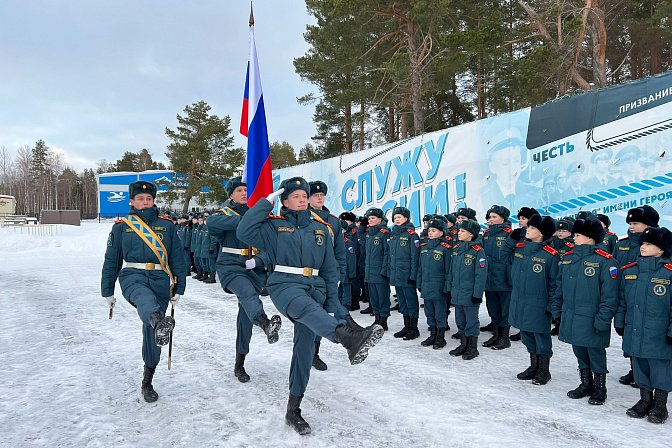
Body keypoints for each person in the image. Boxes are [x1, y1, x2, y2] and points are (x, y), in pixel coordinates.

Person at [236, 177, 384, 435]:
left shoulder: (320, 227)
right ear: (284, 201)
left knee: (304, 348)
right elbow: (244, 231)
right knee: (304, 308)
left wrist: (332, 301)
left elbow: (329, 267)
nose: (303, 199)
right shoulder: (273, 226)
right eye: (296, 196)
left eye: (304, 195)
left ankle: (294, 409)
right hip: (285, 284)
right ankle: (347, 338)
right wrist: (264, 203)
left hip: (314, 285)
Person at [101, 181, 187, 402]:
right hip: (133, 277)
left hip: (159, 279)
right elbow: (112, 261)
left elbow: (177, 258)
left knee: (152, 332)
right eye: (140, 198)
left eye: (148, 199)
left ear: (154, 200)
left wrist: (180, 286)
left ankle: (148, 380)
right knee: (144, 299)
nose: (145, 202)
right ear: (132, 201)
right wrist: (107, 290)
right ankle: (158, 320)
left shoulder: (167, 226)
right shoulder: (121, 227)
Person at [207, 176, 282, 383]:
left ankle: (240, 363)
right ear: (230, 195)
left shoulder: (260, 218)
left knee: (245, 318)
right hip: (230, 267)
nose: (243, 193)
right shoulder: (223, 215)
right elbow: (211, 223)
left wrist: (258, 260)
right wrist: (250, 218)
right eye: (239, 190)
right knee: (248, 294)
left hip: (253, 269)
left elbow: (271, 248)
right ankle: (266, 323)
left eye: (246, 190)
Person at [551, 217, 619, 405]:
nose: (574, 237)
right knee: (580, 351)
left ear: (590, 238)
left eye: (578, 235)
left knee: (596, 354)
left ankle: (600, 388)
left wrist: (603, 319)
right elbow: (559, 287)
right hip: (571, 315)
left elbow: (610, 296)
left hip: (593, 318)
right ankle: (585, 383)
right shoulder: (569, 258)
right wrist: (557, 310)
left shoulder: (606, 261)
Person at [615, 227, 672, 424]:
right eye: (642, 244)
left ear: (662, 249)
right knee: (640, 367)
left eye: (649, 244)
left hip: (660, 332)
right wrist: (620, 322)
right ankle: (645, 400)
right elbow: (622, 300)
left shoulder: (669, 273)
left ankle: (660, 405)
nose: (643, 247)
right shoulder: (630, 271)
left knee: (661, 369)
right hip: (635, 328)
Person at [501, 214, 559, 385]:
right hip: (520, 299)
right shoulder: (520, 248)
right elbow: (502, 255)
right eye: (529, 227)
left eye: (532, 228)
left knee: (541, 338)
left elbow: (555, 283)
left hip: (539, 303)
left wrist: (552, 306)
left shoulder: (550, 255)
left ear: (542, 233)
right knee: (526, 335)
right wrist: (510, 240)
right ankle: (533, 366)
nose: (528, 229)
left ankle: (544, 370)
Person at [614, 205, 660, 388]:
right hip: (627, 298)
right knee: (630, 335)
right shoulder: (621, 245)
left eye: (636, 223)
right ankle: (635, 370)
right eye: (630, 223)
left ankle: (651, 375)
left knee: (649, 337)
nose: (632, 227)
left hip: (650, 299)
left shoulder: (660, 244)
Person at [308, 180, 347, 372]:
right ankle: (309, 352)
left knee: (327, 309)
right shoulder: (303, 217)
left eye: (322, 195)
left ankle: (315, 352)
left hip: (329, 274)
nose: (319, 198)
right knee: (313, 312)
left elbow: (340, 251)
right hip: (310, 274)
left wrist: (340, 273)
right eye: (315, 195)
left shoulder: (333, 221)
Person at [447, 219, 487, 360]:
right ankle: (463, 344)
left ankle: (472, 347)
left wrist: (477, 294)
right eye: (459, 230)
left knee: (471, 321)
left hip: (470, 294)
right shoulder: (457, 250)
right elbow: (451, 272)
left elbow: (480, 276)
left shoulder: (478, 252)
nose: (459, 233)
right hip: (458, 292)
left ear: (471, 234)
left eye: (462, 231)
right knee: (460, 319)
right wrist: (449, 288)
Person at [417, 217, 452, 349]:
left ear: (441, 233)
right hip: (426, 285)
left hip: (439, 287)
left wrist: (446, 287)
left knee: (440, 312)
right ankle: (433, 334)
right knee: (429, 311)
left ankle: (440, 337)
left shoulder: (445, 248)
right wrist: (419, 283)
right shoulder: (424, 247)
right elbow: (420, 268)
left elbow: (448, 270)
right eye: (429, 230)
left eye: (433, 230)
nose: (429, 232)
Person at [481, 205, 514, 350]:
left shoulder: (509, 234)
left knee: (504, 310)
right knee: (492, 308)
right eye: (489, 217)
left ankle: (504, 337)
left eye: (494, 217)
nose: (491, 220)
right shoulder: (486, 234)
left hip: (504, 279)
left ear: (503, 218)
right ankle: (496, 334)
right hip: (489, 278)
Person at [387, 206, 421, 340]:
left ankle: (414, 328)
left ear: (406, 219)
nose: (397, 220)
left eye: (399, 217)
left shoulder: (412, 235)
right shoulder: (393, 235)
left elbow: (415, 257)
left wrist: (413, 275)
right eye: (395, 218)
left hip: (407, 275)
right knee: (402, 302)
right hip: (397, 275)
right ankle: (406, 326)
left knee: (411, 301)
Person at [506, 206, 539, 340]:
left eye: (523, 219)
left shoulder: (538, 238)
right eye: (519, 218)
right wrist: (511, 240)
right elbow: (504, 254)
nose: (520, 221)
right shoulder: (518, 234)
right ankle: (522, 329)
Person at [361, 208, 391, 330]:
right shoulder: (369, 233)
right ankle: (377, 319)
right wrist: (363, 224)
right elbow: (360, 236)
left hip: (379, 271)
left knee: (382, 296)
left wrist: (384, 270)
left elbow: (387, 254)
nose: (370, 220)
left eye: (373, 218)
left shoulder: (385, 233)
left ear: (380, 219)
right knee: (373, 296)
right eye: (369, 218)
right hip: (370, 270)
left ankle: (383, 320)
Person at [339, 211, 361, 311]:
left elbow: (356, 248)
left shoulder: (355, 232)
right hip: (344, 265)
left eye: (346, 220)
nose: (344, 221)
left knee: (354, 284)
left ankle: (354, 302)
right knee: (343, 286)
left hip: (353, 262)